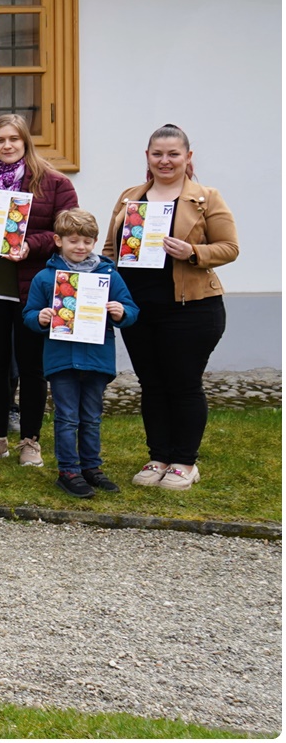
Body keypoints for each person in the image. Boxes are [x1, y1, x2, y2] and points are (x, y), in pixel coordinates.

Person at [103, 124, 239, 491]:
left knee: (183, 384)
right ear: (147, 157)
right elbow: (110, 252)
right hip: (138, 310)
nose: (165, 161)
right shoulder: (130, 196)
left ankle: (184, 461)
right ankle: (158, 456)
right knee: (152, 384)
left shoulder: (206, 197)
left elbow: (230, 247)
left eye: (173, 154)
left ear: (188, 157)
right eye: (158, 154)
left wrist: (193, 252)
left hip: (192, 308)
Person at [0, 113, 78, 466]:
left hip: (33, 290)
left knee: (32, 368)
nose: (7, 146)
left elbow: (66, 234)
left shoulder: (54, 183)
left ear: (26, 141)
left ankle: (30, 441)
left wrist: (31, 245)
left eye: (14, 139)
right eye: (0, 140)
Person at [28, 209, 140, 498]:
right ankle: (68, 471)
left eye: (87, 241)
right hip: (61, 358)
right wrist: (39, 318)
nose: (81, 247)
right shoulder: (45, 278)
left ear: (95, 242)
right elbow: (29, 314)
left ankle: (91, 467)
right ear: (58, 240)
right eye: (74, 241)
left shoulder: (108, 275)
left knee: (91, 417)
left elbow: (131, 309)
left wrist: (121, 312)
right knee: (67, 417)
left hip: (97, 358)